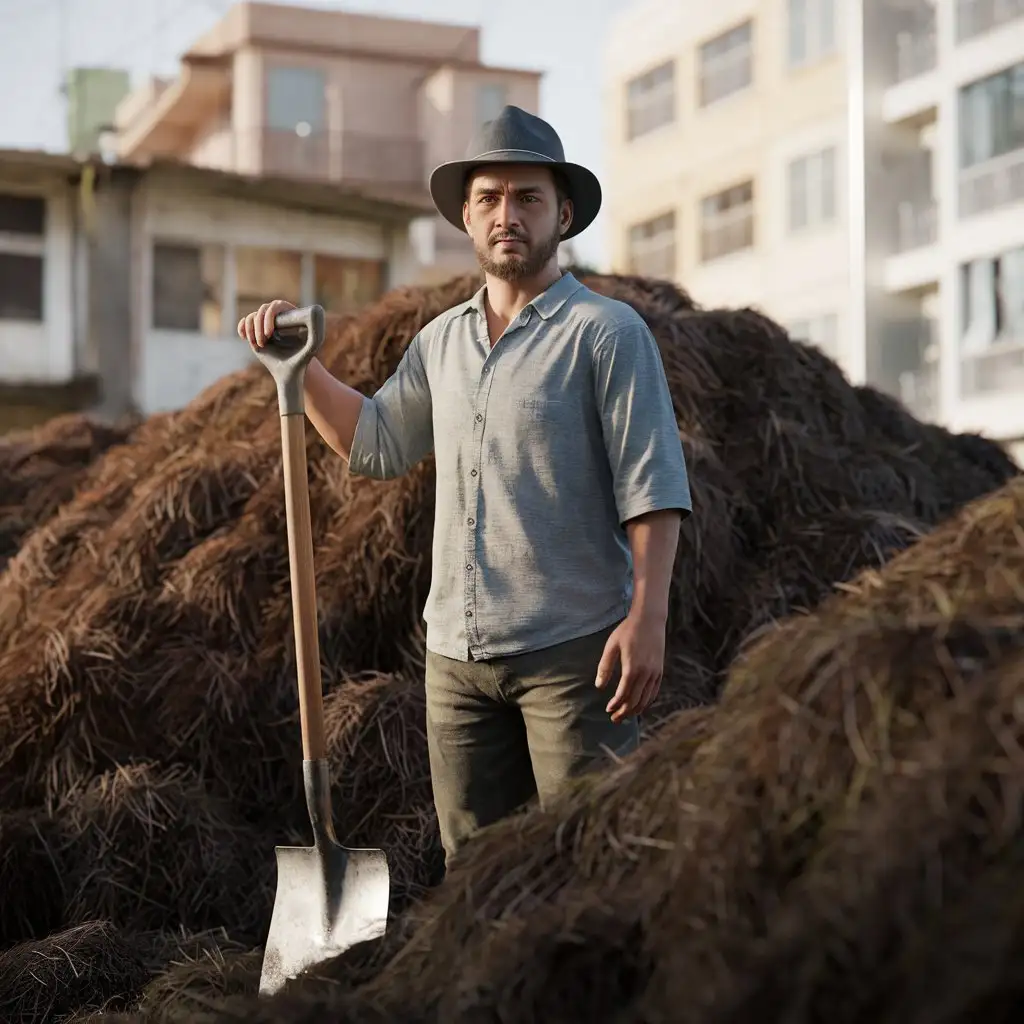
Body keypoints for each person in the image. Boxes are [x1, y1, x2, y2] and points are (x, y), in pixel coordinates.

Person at [239, 105, 692, 866]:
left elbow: (652, 482)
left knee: (584, 867)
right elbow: (378, 443)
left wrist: (649, 616)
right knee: (476, 882)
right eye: (489, 199)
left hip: (574, 660)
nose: (506, 215)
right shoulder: (440, 342)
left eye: (527, 198)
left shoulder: (607, 334)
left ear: (564, 213)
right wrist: (301, 369)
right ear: (467, 218)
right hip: (456, 664)